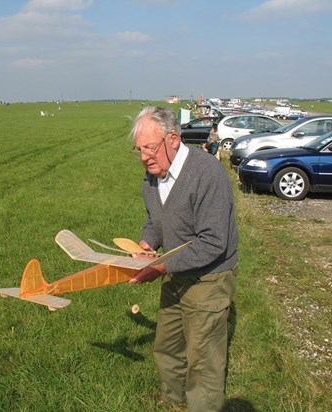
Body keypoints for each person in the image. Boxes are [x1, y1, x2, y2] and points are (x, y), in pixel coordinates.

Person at [129, 106, 238, 412]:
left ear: (173, 139)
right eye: (138, 150)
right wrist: (147, 244)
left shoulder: (207, 174)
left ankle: (202, 405)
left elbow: (214, 242)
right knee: (168, 346)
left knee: (203, 360)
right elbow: (154, 220)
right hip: (176, 272)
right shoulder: (151, 178)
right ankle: (174, 399)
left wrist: (159, 266)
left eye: (149, 148)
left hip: (210, 277)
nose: (143, 157)